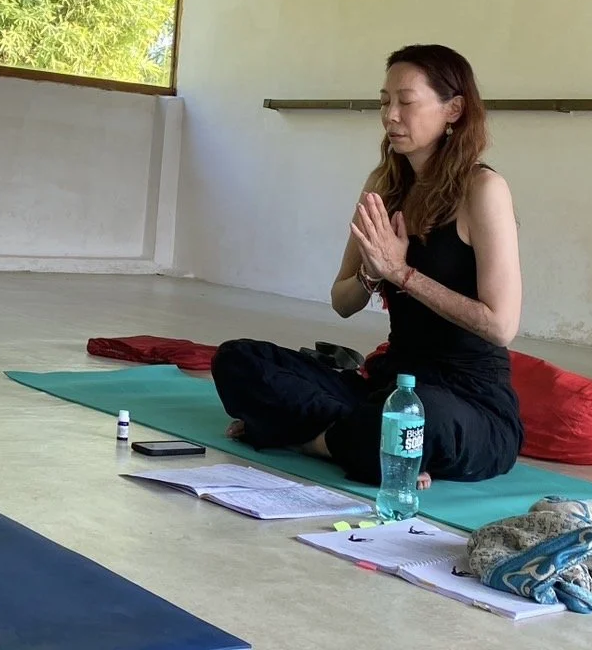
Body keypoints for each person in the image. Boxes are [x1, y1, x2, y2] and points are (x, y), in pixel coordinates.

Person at [212, 44, 524, 487]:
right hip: (387, 387)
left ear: (453, 109)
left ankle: (312, 438)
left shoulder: (483, 189)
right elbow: (342, 301)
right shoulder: (383, 184)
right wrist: (372, 273)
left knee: (420, 419)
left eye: (406, 101)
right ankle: (364, 443)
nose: (390, 115)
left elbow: (501, 326)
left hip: (469, 403)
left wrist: (403, 274)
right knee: (238, 360)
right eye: (384, 101)